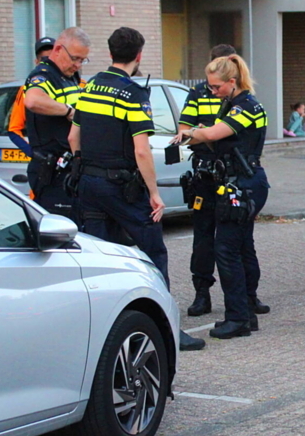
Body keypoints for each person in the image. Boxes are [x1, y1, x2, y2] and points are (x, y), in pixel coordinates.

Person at [69, 26, 205, 352]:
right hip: (121, 187)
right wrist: (155, 193)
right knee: (152, 252)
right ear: (139, 55)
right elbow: (142, 150)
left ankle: (100, 332)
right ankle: (167, 329)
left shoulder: (88, 89)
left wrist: (85, 167)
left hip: (89, 185)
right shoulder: (132, 94)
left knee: (100, 257)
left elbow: (74, 138)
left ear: (110, 51)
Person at [175, 54, 271, 340]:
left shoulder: (246, 106)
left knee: (227, 251)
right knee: (237, 249)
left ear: (232, 82)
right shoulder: (233, 103)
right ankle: (245, 314)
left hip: (244, 183)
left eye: (216, 87)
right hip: (238, 182)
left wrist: (190, 134)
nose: (212, 91)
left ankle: (238, 318)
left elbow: (217, 133)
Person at [177, 43, 238, 318]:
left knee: (239, 239)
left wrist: (210, 133)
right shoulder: (198, 93)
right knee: (203, 237)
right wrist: (202, 133)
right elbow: (183, 130)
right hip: (205, 175)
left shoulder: (243, 97)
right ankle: (202, 293)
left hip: (232, 174)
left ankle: (246, 296)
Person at [24, 28, 89, 222]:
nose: (77, 65)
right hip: (52, 173)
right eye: (75, 58)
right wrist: (68, 111)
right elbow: (33, 101)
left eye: (82, 60)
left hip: (71, 170)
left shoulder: (70, 76)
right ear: (59, 49)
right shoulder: (44, 74)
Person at [7, 36, 56, 156]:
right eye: (44, 60)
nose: (47, 64)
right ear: (36, 62)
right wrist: (35, 155)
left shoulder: (77, 84)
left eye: (51, 59)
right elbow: (14, 130)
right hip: (43, 167)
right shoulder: (26, 89)